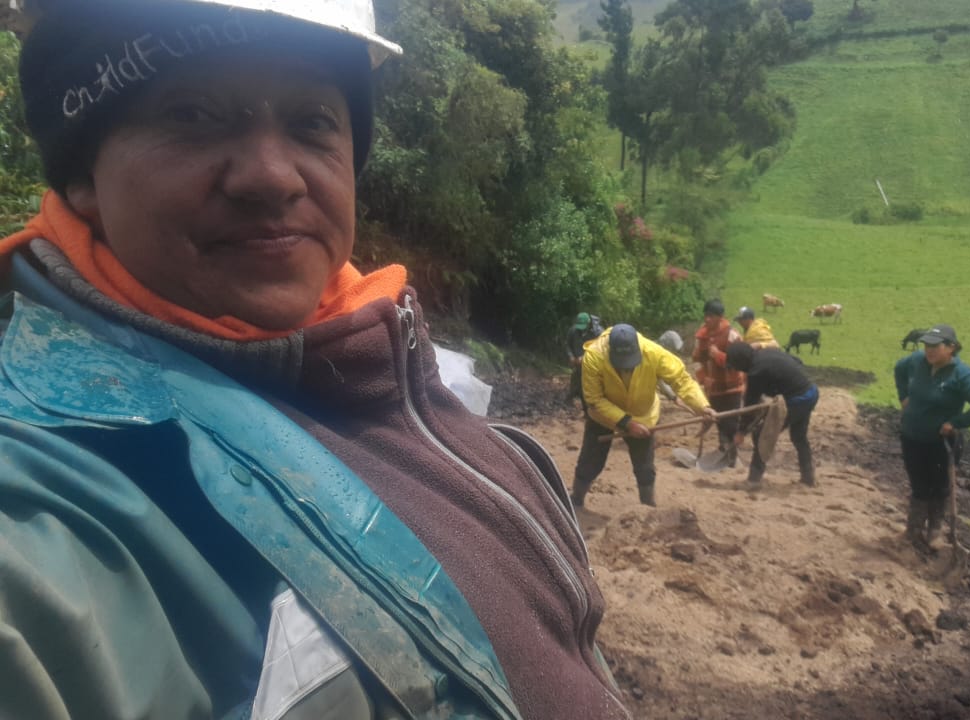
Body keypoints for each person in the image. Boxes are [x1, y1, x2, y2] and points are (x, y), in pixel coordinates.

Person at [0, 2, 630, 718]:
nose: (272, 177)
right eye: (192, 115)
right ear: (81, 175)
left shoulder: (387, 367)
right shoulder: (45, 496)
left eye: (312, 122)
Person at [573, 324, 711, 508]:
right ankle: (576, 500)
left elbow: (681, 379)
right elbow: (594, 400)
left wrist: (702, 406)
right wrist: (627, 423)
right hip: (603, 415)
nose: (627, 369)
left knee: (644, 467)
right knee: (590, 462)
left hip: (642, 415)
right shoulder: (594, 356)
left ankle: (647, 507)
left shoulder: (653, 352)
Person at [892, 324, 970, 550]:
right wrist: (903, 397)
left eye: (935, 346)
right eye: (927, 345)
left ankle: (934, 532)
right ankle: (913, 531)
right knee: (918, 485)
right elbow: (899, 368)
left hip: (941, 444)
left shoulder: (962, 375)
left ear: (951, 348)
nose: (929, 350)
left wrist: (955, 423)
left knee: (939, 487)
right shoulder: (917, 361)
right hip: (912, 437)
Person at [726, 342, 820, 487]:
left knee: (762, 434)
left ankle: (753, 480)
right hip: (811, 391)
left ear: (741, 362)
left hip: (798, 400)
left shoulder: (756, 372)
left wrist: (741, 432)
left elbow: (750, 406)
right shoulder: (767, 353)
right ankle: (808, 478)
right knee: (798, 436)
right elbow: (797, 361)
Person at [691, 299, 745, 467]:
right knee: (719, 423)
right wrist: (702, 378)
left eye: (711, 316)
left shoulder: (732, 336)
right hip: (713, 389)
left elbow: (739, 362)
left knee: (731, 424)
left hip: (732, 388)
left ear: (720, 317)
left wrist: (718, 356)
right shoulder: (702, 336)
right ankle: (724, 452)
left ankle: (732, 457)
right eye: (706, 315)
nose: (707, 319)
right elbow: (696, 360)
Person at [566, 310, 603, 408]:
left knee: (589, 386)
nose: (581, 329)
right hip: (577, 363)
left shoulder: (598, 332)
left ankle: (589, 408)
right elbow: (568, 345)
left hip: (592, 364)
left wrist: (585, 357)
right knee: (575, 380)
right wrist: (571, 356)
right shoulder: (573, 330)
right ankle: (571, 398)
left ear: (589, 323)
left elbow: (601, 349)